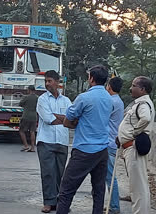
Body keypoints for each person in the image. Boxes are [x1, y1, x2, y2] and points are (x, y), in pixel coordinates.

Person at [56, 65, 113, 214]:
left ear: (91, 79)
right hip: (102, 150)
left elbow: (68, 120)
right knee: (99, 190)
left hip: (84, 150)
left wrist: (76, 122)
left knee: (66, 190)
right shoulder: (109, 98)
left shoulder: (84, 98)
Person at [117, 76, 155, 214]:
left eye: (134, 85)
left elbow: (145, 118)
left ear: (142, 89)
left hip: (134, 148)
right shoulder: (139, 103)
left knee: (137, 188)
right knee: (139, 186)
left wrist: (133, 133)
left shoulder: (143, 104)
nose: (130, 88)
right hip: (129, 148)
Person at [36, 70, 72, 213]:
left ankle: (59, 202)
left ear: (58, 82)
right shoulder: (42, 100)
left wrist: (61, 118)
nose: (47, 84)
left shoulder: (66, 100)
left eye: (50, 81)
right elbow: (48, 119)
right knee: (48, 173)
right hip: (46, 141)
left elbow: (72, 119)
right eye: (46, 81)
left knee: (60, 174)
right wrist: (64, 119)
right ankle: (48, 202)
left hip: (62, 141)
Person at [104, 77, 124, 214]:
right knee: (107, 176)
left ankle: (115, 206)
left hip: (109, 142)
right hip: (112, 141)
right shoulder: (119, 101)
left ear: (109, 87)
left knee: (110, 177)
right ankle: (112, 204)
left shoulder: (111, 101)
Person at [19, 85, 38, 152]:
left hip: (26, 116)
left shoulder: (26, 97)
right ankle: (32, 147)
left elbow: (20, 104)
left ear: (29, 90)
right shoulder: (37, 98)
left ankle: (26, 145)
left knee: (21, 131)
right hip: (34, 116)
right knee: (32, 131)